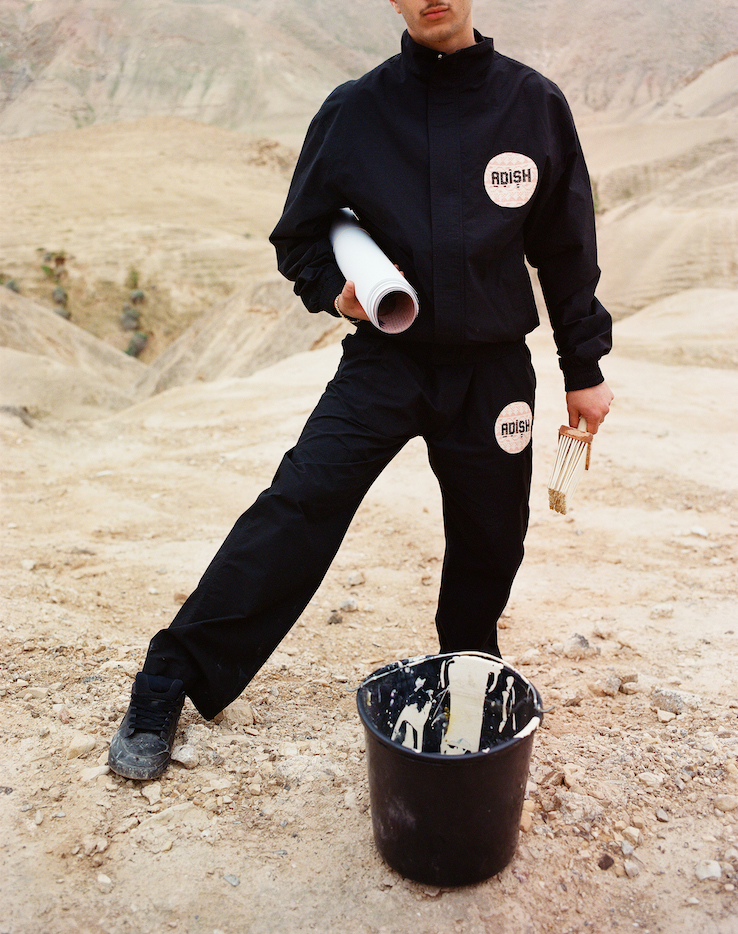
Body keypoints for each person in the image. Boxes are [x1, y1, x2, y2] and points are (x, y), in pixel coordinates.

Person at [108, 0, 613, 780]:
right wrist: (338, 296)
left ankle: (468, 668)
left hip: (494, 373)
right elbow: (300, 240)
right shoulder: (355, 110)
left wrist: (584, 367)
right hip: (386, 362)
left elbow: (566, 245)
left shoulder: (533, 103)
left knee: (492, 536)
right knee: (298, 504)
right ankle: (168, 679)